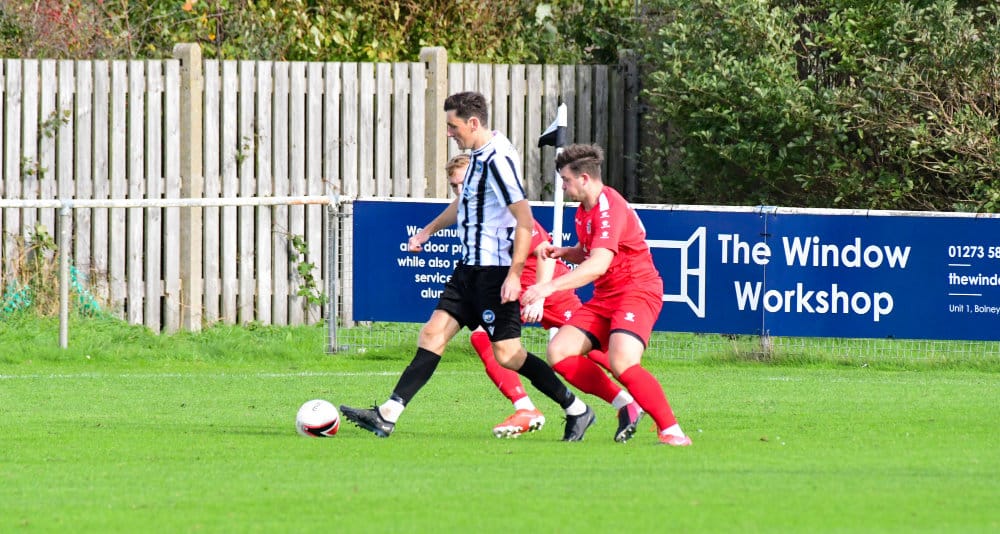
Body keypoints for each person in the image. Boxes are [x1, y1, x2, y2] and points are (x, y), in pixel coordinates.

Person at [339, 91, 596, 441]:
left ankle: (576, 409)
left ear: (473, 123)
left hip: (494, 274)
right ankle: (387, 414)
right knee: (432, 334)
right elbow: (464, 205)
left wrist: (514, 275)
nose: (449, 133)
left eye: (453, 126)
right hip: (467, 271)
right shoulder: (476, 155)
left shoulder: (498, 160)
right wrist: (426, 232)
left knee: (508, 354)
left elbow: (524, 220)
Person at [446, 153, 645, 442]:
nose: (460, 190)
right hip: (513, 292)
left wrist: (540, 295)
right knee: (482, 336)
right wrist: (426, 233)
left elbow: (544, 253)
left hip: (546, 291)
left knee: (592, 349)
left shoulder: (508, 211)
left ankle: (632, 400)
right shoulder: (473, 210)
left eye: (465, 183)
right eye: (454, 185)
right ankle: (526, 407)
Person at [521, 143, 693, 447]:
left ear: (584, 178)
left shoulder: (609, 208)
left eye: (566, 180)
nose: (563, 186)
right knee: (559, 352)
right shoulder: (584, 210)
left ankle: (672, 430)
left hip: (636, 290)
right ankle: (626, 404)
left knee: (622, 361)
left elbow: (598, 265)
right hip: (605, 296)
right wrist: (566, 252)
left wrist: (547, 287)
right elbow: (590, 252)